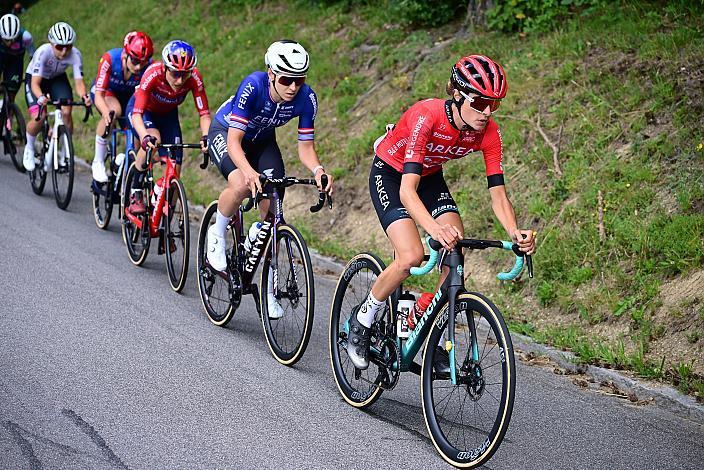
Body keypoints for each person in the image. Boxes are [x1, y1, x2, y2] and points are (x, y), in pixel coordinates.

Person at [346, 54, 536, 371]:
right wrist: (434, 229)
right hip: (392, 175)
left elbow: (498, 195)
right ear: (458, 95)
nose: (487, 112)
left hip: (430, 178)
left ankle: (426, 320)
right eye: (480, 103)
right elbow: (407, 191)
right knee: (410, 257)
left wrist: (515, 234)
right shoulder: (427, 115)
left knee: (456, 251)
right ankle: (362, 320)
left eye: (494, 104)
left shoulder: (489, 132)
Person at [205, 39, 333, 319]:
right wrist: (249, 172)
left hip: (263, 141)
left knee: (274, 207)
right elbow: (235, 142)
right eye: (287, 80)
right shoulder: (253, 86)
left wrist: (318, 171)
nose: (293, 87)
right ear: (272, 74)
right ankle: (217, 233)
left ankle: (270, 289)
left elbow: (306, 148)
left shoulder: (306, 98)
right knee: (240, 184)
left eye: (299, 80)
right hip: (227, 133)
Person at [126, 39, 210, 214]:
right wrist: (144, 137)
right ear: (164, 67)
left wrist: (206, 136)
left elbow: (204, 114)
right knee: (153, 139)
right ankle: (135, 192)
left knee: (175, 168)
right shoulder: (152, 74)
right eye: (175, 74)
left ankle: (165, 218)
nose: (180, 80)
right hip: (144, 112)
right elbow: (136, 115)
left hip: (168, 115)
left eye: (184, 74)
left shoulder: (194, 78)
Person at [22, 21, 90, 171]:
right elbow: (35, 83)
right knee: (39, 117)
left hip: (57, 78)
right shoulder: (43, 52)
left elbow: (79, 82)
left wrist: (84, 96)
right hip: (36, 79)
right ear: (52, 44)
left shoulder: (75, 54)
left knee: (66, 111)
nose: (64, 51)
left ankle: (65, 153)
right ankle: (29, 148)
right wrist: (40, 97)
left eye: (69, 46)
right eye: (59, 47)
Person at [90, 31, 153, 183]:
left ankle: (124, 160)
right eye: (135, 60)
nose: (138, 66)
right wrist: (106, 114)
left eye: (143, 62)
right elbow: (99, 95)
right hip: (107, 92)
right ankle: (98, 161)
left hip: (131, 97)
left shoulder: (150, 67)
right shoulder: (110, 59)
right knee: (113, 112)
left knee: (137, 132)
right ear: (126, 53)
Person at [0, 13, 34, 105]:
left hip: (16, 61)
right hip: (1, 56)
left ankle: (9, 114)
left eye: (13, 39)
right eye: (6, 40)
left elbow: (33, 57)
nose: (10, 43)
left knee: (12, 93)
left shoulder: (26, 37)